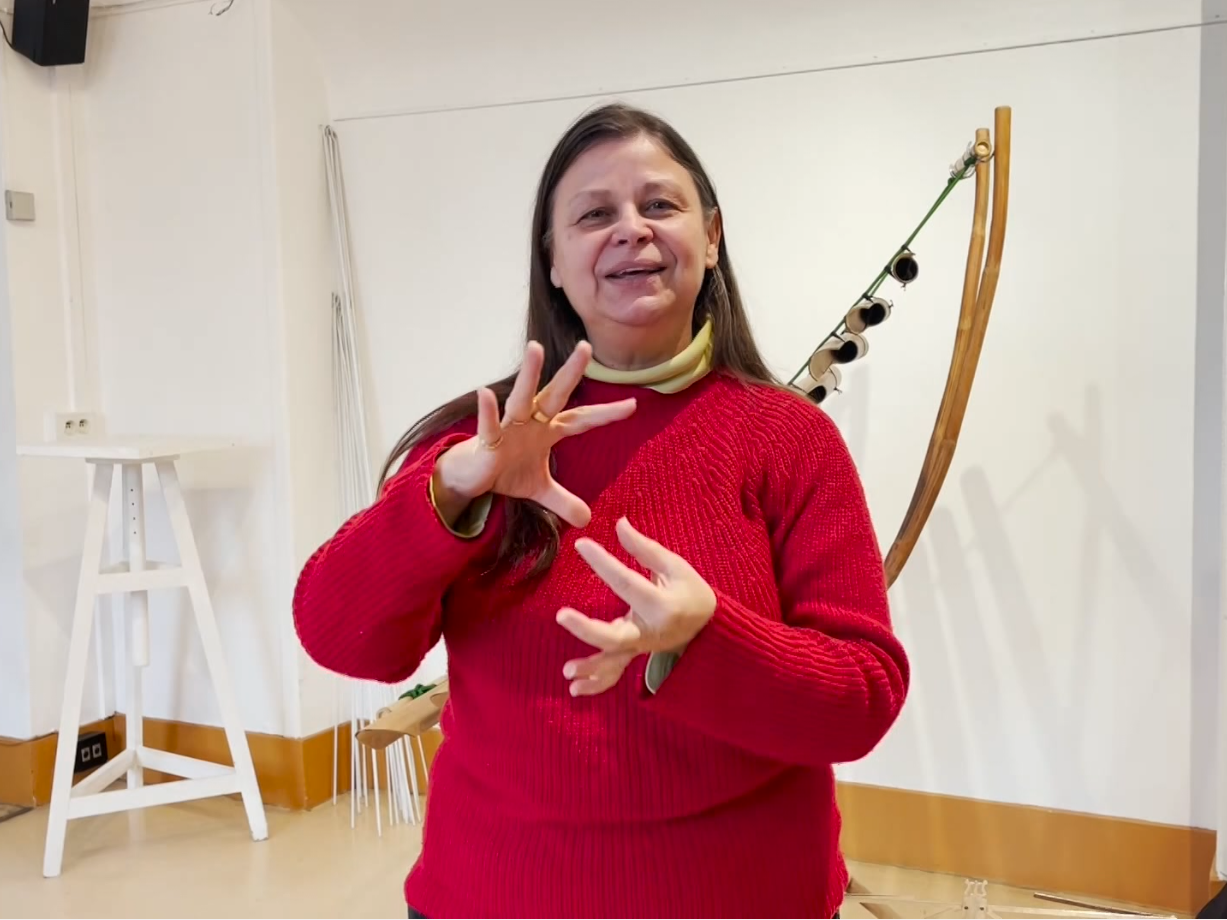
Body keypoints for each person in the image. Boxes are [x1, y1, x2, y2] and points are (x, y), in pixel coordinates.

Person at [292, 101, 910, 919]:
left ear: (711, 237)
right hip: (492, 894)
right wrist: (448, 494)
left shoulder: (789, 439)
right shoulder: (480, 443)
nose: (631, 230)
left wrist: (704, 637)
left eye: (659, 204)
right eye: (593, 215)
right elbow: (339, 639)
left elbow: (860, 703)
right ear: (551, 261)